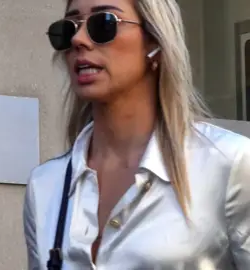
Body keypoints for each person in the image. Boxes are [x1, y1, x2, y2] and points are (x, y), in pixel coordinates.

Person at [22, 0, 250, 269]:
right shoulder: (46, 186)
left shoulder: (230, 164)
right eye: (68, 28)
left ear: (154, 42)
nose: (78, 39)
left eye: (104, 23)